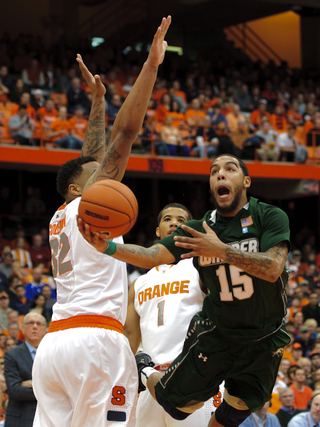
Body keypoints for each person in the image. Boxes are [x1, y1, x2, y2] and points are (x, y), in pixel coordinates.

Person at [78, 153, 291, 427]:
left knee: (239, 407)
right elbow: (150, 255)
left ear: (246, 181)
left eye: (229, 169)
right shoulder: (197, 230)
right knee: (178, 408)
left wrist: (221, 250)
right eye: (214, 171)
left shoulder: (269, 216)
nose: (220, 174)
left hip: (265, 334)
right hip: (221, 333)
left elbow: (273, 268)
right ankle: (144, 370)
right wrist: (107, 247)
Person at [32, 16, 171, 427]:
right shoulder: (92, 206)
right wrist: (150, 67)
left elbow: (91, 158)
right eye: (95, 178)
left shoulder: (63, 213)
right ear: (81, 190)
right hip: (96, 342)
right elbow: (126, 134)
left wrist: (97, 102)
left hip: (55, 348)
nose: (104, 174)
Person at [124, 202, 224, 427]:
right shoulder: (139, 283)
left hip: (191, 376)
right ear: (158, 231)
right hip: (150, 380)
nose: (175, 223)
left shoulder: (200, 267)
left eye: (182, 220)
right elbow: (129, 338)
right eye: (168, 219)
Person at [4, 312, 47, 427]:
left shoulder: (52, 354)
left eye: (38, 323)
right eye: (30, 323)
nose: (34, 326)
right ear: (22, 329)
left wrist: (31, 383)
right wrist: (45, 389)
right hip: (20, 420)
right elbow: (15, 390)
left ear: (45, 329)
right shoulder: (11, 355)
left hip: (47, 417)